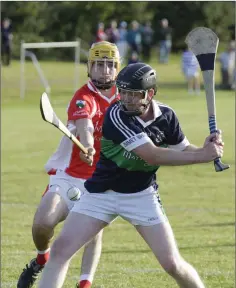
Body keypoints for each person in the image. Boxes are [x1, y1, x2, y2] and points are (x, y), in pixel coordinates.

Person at [38, 63, 224, 288]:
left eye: (133, 94)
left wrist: (206, 150)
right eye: (123, 91)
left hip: (141, 196)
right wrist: (204, 155)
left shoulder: (166, 116)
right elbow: (151, 155)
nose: (126, 98)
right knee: (60, 251)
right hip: (101, 194)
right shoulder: (116, 115)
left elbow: (183, 150)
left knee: (173, 264)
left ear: (150, 93)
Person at [17, 41, 121, 288]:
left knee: (93, 231)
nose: (104, 70)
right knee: (42, 224)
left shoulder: (124, 99)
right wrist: (89, 146)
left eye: (109, 65)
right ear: (90, 67)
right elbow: (85, 126)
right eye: (99, 65)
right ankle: (42, 258)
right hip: (70, 176)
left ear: (117, 69)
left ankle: (85, 283)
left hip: (103, 179)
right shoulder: (83, 97)